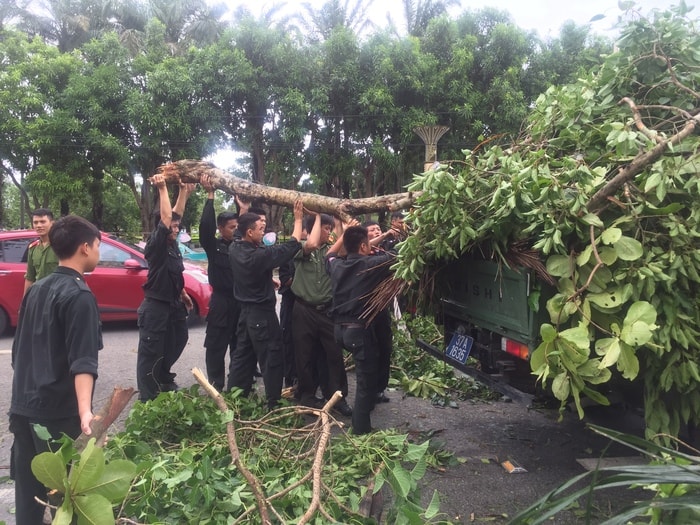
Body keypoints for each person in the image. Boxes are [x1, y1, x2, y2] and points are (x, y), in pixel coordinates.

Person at [9, 215, 102, 524]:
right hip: (55, 415)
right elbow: (83, 362)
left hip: (23, 407)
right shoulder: (79, 296)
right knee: (68, 498)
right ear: (85, 248)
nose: (99, 252)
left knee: (29, 493)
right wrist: (85, 412)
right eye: (98, 246)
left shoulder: (38, 289)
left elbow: (20, 349)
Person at [228, 200, 304, 409]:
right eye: (261, 228)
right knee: (271, 357)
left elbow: (238, 231)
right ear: (250, 233)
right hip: (261, 314)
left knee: (242, 357)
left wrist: (243, 208)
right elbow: (291, 246)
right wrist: (298, 218)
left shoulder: (235, 246)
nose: (263, 232)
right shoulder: (258, 255)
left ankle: (234, 399)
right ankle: (273, 402)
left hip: (245, 313)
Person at [326, 225, 395, 434]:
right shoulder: (370, 264)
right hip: (358, 332)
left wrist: (344, 234)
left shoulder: (336, 265)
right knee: (366, 380)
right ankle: (361, 428)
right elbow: (398, 256)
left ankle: (361, 417)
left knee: (365, 375)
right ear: (364, 246)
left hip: (339, 331)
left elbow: (329, 254)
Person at [136, 175, 195, 401]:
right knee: (150, 353)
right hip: (155, 307)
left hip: (173, 303)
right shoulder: (157, 244)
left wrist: (184, 192)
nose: (176, 228)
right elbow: (168, 217)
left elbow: (174, 216)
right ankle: (148, 397)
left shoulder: (173, 246)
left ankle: (163, 377)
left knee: (177, 339)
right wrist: (162, 187)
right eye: (172, 225)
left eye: (178, 226)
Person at [292, 213, 352, 416]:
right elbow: (311, 244)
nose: (328, 232)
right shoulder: (301, 249)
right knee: (304, 355)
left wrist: (341, 225)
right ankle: (307, 396)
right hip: (303, 310)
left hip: (327, 311)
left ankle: (338, 398)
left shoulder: (331, 252)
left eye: (329, 228)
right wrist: (316, 215)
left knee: (334, 355)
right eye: (324, 228)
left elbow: (343, 249)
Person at [199, 174, 240, 391]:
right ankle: (216, 387)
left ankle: (237, 388)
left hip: (240, 302)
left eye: (237, 226)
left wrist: (240, 202)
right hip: (221, 303)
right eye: (232, 227)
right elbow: (205, 227)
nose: (235, 230)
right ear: (221, 228)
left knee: (239, 347)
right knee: (215, 347)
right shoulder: (214, 246)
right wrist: (210, 196)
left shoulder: (241, 246)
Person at [363, 220, 396, 404]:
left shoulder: (385, 250)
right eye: (372, 230)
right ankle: (368, 391)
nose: (377, 231)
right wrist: (384, 235)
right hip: (366, 309)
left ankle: (379, 389)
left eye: (378, 229)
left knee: (385, 347)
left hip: (382, 307)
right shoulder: (363, 254)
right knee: (370, 350)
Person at [23, 208, 58, 296]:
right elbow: (30, 278)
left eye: (43, 222)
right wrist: (25, 303)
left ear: (52, 223)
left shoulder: (61, 246)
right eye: (35, 222)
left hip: (58, 295)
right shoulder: (33, 248)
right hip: (39, 296)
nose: (38, 225)